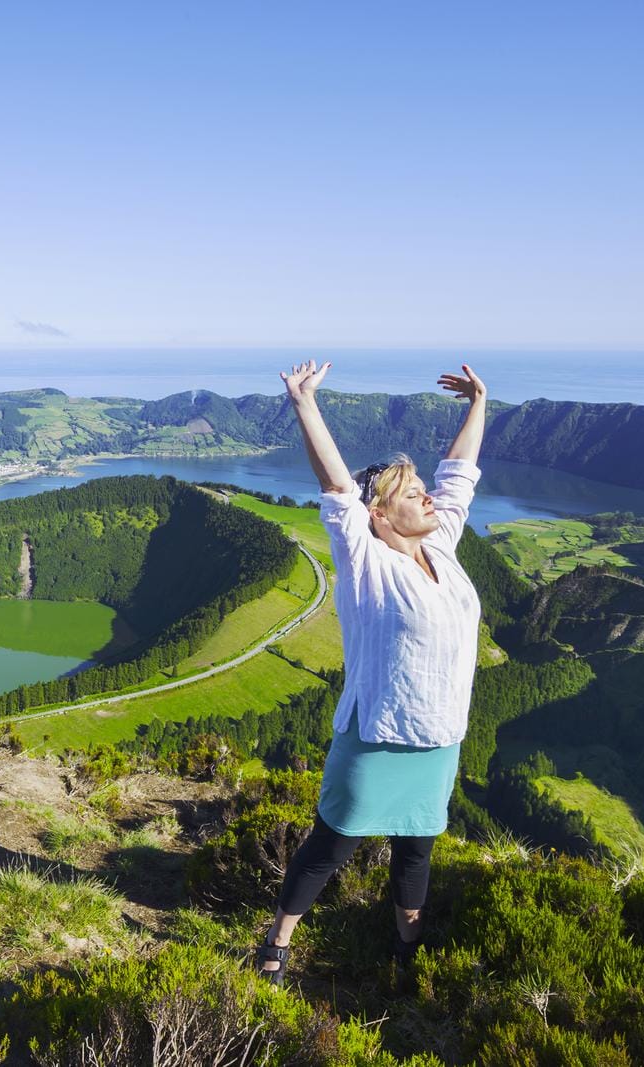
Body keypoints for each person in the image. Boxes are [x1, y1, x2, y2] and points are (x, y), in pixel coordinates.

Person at [255, 358, 488, 984]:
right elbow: (336, 488)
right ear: (380, 516)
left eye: (423, 491)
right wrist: (304, 404)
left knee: (417, 851)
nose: (429, 498)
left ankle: (406, 949)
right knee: (331, 846)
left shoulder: (441, 546)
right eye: (413, 495)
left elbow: (459, 478)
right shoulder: (366, 563)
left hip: (439, 735)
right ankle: (276, 944)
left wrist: (477, 404)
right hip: (378, 731)